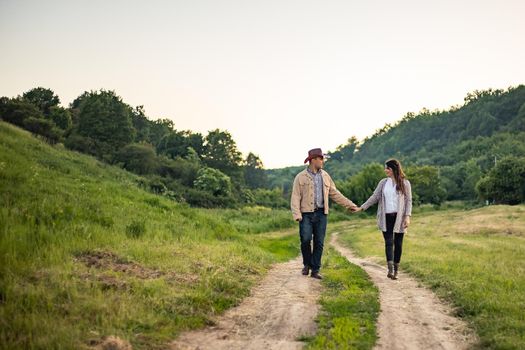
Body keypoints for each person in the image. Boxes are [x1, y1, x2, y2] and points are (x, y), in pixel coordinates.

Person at [291, 148, 358, 279]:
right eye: (321, 159)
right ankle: (307, 264)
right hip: (305, 214)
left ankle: (315, 270)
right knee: (305, 240)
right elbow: (295, 197)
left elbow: (335, 194)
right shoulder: (300, 177)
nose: (322, 161)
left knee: (319, 242)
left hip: (322, 214)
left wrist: (350, 205)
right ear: (313, 160)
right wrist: (297, 214)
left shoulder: (326, 176)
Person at [353, 159, 412, 280]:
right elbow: (374, 197)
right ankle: (390, 269)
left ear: (393, 169)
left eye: (387, 168)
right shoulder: (383, 183)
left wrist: (407, 216)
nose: (385, 170)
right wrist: (362, 208)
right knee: (389, 242)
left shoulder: (405, 183)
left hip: (399, 217)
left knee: (398, 244)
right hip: (386, 217)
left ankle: (396, 270)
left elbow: (409, 201)